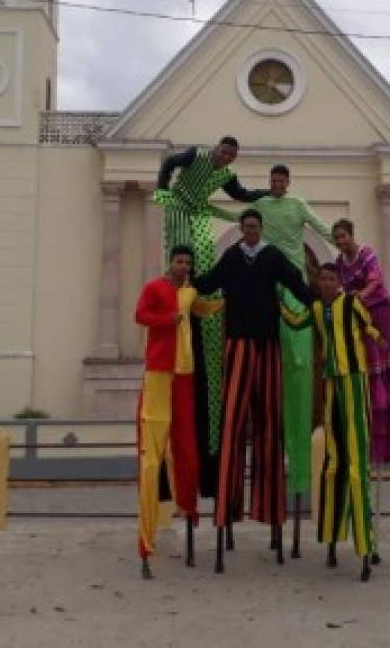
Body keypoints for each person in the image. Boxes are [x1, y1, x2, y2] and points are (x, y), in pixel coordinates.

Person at [192, 208, 314, 573]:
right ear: (241, 229)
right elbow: (209, 282)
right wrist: (181, 283)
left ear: (260, 229)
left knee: (269, 430)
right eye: (245, 226)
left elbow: (296, 283)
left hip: (267, 348)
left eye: (254, 226)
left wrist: (321, 298)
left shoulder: (273, 256)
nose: (249, 231)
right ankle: (226, 515)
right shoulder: (231, 257)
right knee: (232, 427)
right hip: (237, 347)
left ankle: (270, 512)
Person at [154, 136, 268, 497]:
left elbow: (242, 196)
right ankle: (180, 277)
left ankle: (202, 285)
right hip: (177, 205)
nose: (225, 157)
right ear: (216, 148)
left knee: (203, 244)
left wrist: (267, 195)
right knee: (182, 245)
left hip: (200, 210)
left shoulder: (227, 174)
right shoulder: (195, 155)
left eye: (231, 154)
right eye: (223, 151)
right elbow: (170, 164)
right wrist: (163, 191)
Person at [252, 163, 333, 556]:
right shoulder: (262, 205)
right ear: (270, 183)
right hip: (271, 286)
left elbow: (323, 227)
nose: (277, 185)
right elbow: (237, 215)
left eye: (282, 181)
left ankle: (299, 469)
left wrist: (351, 248)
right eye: (273, 181)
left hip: (296, 288)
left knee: (301, 364)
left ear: (289, 183)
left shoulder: (298, 204)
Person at [284, 263, 379, 582]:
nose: (326, 283)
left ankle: (366, 543)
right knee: (333, 462)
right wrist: (277, 301)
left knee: (356, 461)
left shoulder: (352, 303)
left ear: (339, 282)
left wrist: (383, 361)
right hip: (330, 384)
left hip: (353, 380)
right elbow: (296, 322)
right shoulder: (314, 308)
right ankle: (333, 537)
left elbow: (374, 331)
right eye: (322, 278)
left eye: (331, 278)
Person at [133, 245, 222, 579]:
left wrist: (234, 297)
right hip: (158, 372)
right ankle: (145, 543)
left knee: (188, 452)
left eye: (187, 262)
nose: (184, 266)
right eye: (179, 261)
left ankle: (189, 508)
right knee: (152, 457)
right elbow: (140, 315)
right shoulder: (154, 288)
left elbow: (204, 308)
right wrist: (166, 320)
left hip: (185, 375)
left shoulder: (189, 292)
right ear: (170, 261)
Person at [332, 219, 390, 465]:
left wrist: (358, 297)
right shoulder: (339, 263)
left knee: (379, 365)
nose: (341, 242)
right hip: (358, 318)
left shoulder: (366, 255)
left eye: (343, 236)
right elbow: (336, 285)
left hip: (378, 314)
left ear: (351, 235)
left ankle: (385, 434)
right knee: (363, 363)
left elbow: (374, 281)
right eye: (337, 238)